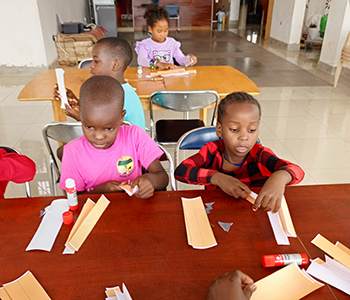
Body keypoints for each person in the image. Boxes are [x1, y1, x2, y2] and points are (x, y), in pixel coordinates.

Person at [175, 92, 305, 213]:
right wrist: (218, 178)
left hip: (254, 213)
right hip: (217, 210)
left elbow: (296, 171)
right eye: (234, 129)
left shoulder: (259, 155)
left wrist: (280, 177)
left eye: (252, 130)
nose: (244, 137)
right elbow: (181, 171)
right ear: (219, 129)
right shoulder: (212, 151)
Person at [59, 76, 168, 198]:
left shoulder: (135, 136)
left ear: (121, 117)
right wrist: (101, 190)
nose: (99, 137)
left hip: (135, 210)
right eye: (89, 127)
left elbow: (162, 177)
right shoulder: (72, 152)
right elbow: (74, 199)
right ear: (81, 116)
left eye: (109, 128)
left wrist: (150, 181)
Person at [54, 37, 146, 130]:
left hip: (128, 144)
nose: (91, 65)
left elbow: (101, 133)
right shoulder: (113, 91)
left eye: (96, 61)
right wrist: (78, 105)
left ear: (115, 65)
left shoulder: (119, 96)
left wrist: (79, 116)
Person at [135, 4, 197, 70]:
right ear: (150, 29)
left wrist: (189, 59)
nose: (163, 34)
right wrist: (157, 64)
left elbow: (181, 59)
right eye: (159, 31)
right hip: (152, 78)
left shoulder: (172, 43)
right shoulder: (145, 44)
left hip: (170, 77)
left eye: (166, 30)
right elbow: (141, 60)